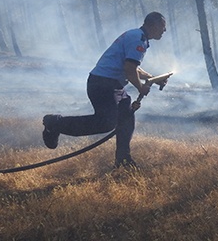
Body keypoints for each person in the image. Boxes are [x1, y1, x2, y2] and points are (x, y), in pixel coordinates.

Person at [42, 11, 168, 169]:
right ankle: (55, 123)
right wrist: (140, 88)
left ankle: (123, 160)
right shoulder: (138, 39)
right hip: (103, 85)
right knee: (106, 123)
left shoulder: (137, 36)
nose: (164, 31)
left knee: (126, 116)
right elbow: (130, 69)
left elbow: (132, 67)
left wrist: (153, 79)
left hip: (112, 85)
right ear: (153, 25)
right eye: (162, 27)